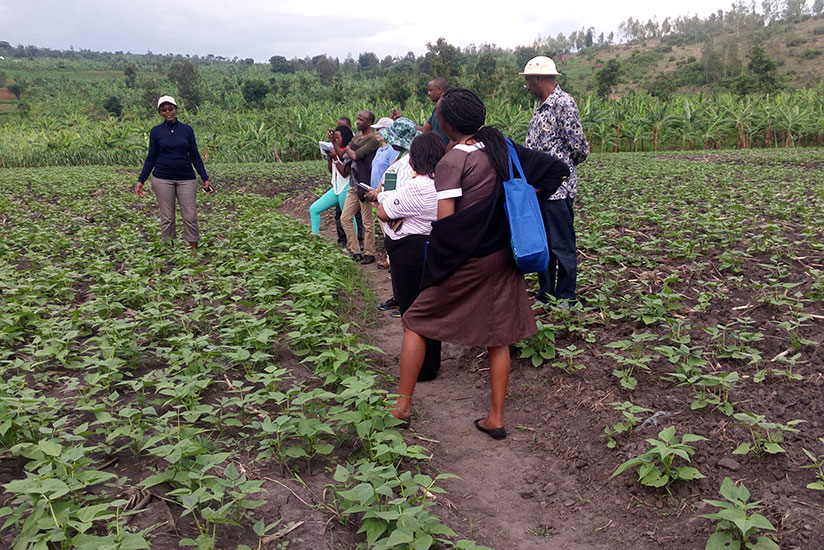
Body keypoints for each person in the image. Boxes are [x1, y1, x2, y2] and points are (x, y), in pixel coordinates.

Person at [391, 88, 564, 440]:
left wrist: (436, 270)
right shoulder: (502, 148)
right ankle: (495, 418)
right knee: (498, 337)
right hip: (505, 256)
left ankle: (401, 408)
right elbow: (557, 169)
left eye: (437, 113)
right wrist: (515, 203)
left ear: (447, 123)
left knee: (415, 321)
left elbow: (447, 226)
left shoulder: (453, 161)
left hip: (471, 259)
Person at [375, 132, 444, 381]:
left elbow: (383, 212)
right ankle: (432, 363)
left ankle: (420, 370)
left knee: (412, 312)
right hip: (431, 250)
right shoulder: (443, 183)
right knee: (430, 308)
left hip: (410, 254)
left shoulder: (418, 186)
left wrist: (381, 198)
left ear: (416, 158)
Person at [521, 56, 589, 307]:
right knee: (545, 244)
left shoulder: (563, 104)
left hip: (559, 189)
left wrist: (560, 169)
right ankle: (546, 295)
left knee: (562, 244)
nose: (527, 85)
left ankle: (567, 297)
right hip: (540, 189)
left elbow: (578, 147)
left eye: (528, 80)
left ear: (539, 79)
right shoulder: (542, 105)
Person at [136, 95, 212, 249]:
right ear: (160, 113)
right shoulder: (156, 131)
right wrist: (141, 180)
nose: (168, 112)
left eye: (170, 109)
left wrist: (205, 177)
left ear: (176, 110)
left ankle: (193, 252)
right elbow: (151, 157)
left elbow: (195, 155)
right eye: (164, 110)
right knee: (167, 218)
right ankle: (170, 252)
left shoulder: (187, 130)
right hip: (162, 179)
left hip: (186, 179)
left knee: (190, 216)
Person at [341, 110, 380, 264]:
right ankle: (355, 250)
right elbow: (349, 152)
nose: (357, 122)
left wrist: (350, 150)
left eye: (361, 119)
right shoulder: (357, 137)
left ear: (369, 123)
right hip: (354, 184)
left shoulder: (373, 140)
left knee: (367, 221)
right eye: (357, 119)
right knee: (345, 218)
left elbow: (355, 155)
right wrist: (351, 150)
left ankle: (369, 253)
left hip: (365, 184)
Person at [309, 125, 354, 234]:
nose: (336, 141)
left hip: (345, 188)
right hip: (336, 187)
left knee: (347, 218)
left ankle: (354, 242)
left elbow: (344, 173)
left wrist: (335, 158)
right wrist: (330, 159)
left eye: (338, 138)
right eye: (335, 139)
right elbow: (331, 171)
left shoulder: (348, 152)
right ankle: (314, 239)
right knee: (314, 209)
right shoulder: (335, 151)